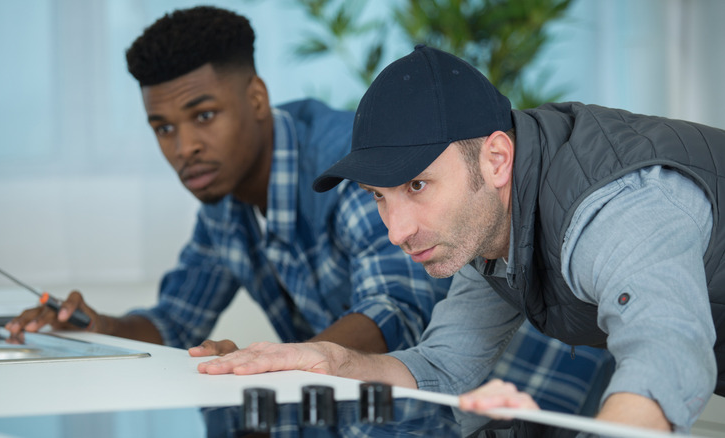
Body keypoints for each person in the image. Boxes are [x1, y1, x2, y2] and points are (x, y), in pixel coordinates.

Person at [3, 8, 611, 416]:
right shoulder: (224, 197)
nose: (184, 146)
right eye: (163, 127)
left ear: (256, 98)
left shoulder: (348, 167)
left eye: (203, 116)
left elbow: (395, 308)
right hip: (425, 403)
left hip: (534, 395)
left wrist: (290, 361)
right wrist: (98, 328)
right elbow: (176, 320)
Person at [199, 45, 725, 434]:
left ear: (496, 159)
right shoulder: (492, 224)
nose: (397, 231)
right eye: (379, 196)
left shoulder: (617, 206)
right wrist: (338, 362)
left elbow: (667, 355)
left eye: (417, 185)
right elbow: (445, 366)